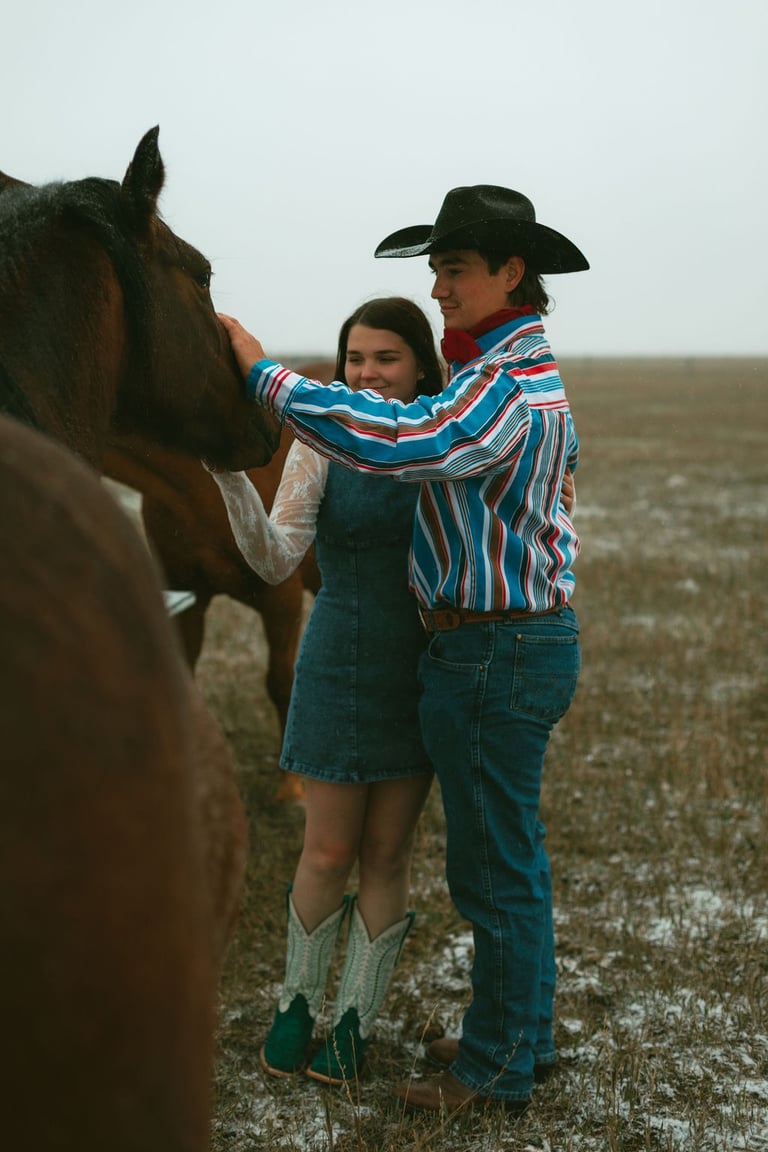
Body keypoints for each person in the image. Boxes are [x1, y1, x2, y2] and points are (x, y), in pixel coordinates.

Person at [218, 184, 589, 1113]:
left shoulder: (501, 386)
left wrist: (269, 379)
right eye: (434, 268)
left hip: (494, 649)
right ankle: (519, 1038)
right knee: (510, 858)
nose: (438, 285)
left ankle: (496, 1067)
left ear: (513, 272)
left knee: (494, 871)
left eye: (455, 268)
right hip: (491, 646)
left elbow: (408, 443)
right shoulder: (505, 373)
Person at [209, 297, 444, 1085]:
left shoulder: (445, 440)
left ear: (420, 365)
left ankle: (354, 1023)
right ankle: (297, 1006)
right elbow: (276, 559)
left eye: (387, 358)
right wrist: (229, 476)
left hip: (419, 666)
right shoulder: (318, 439)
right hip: (335, 655)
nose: (369, 372)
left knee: (386, 853)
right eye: (355, 359)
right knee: (327, 849)